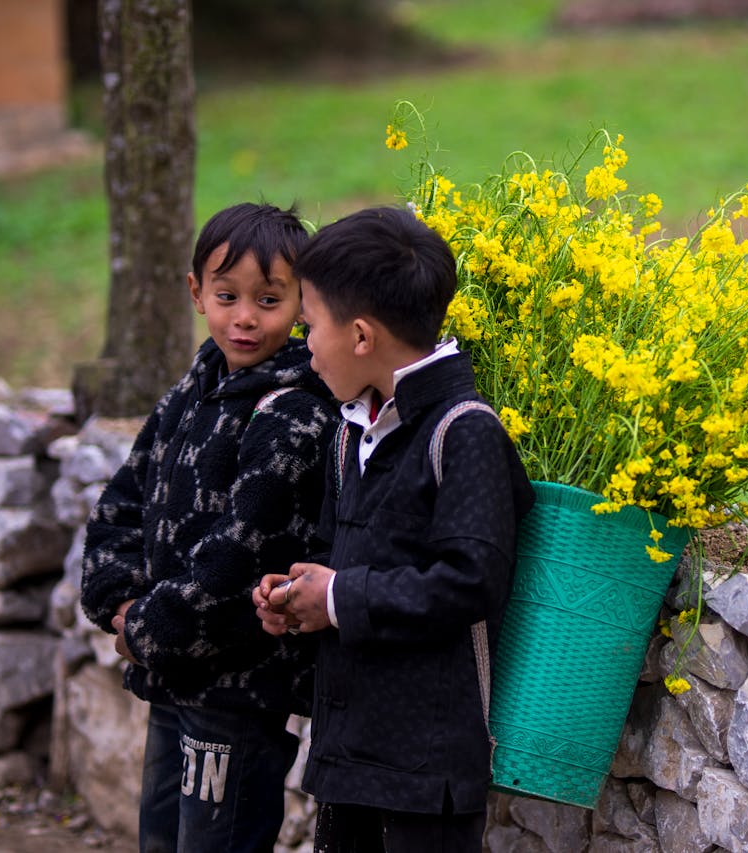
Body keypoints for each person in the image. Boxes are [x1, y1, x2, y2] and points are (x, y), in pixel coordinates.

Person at [252, 206, 535, 853]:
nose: (305, 346)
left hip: (425, 768)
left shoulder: (464, 433)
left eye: (309, 326)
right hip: (352, 748)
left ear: (359, 336)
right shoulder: (351, 431)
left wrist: (337, 596)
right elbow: (334, 554)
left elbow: (469, 582)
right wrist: (300, 600)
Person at [80, 202, 340, 852]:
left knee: (214, 842)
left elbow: (234, 563)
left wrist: (143, 626)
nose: (245, 316)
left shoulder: (294, 416)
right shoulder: (192, 392)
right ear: (196, 293)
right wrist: (117, 600)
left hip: (237, 693)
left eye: (269, 298)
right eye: (227, 295)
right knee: (160, 839)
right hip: (172, 677)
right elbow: (122, 501)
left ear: (304, 304)